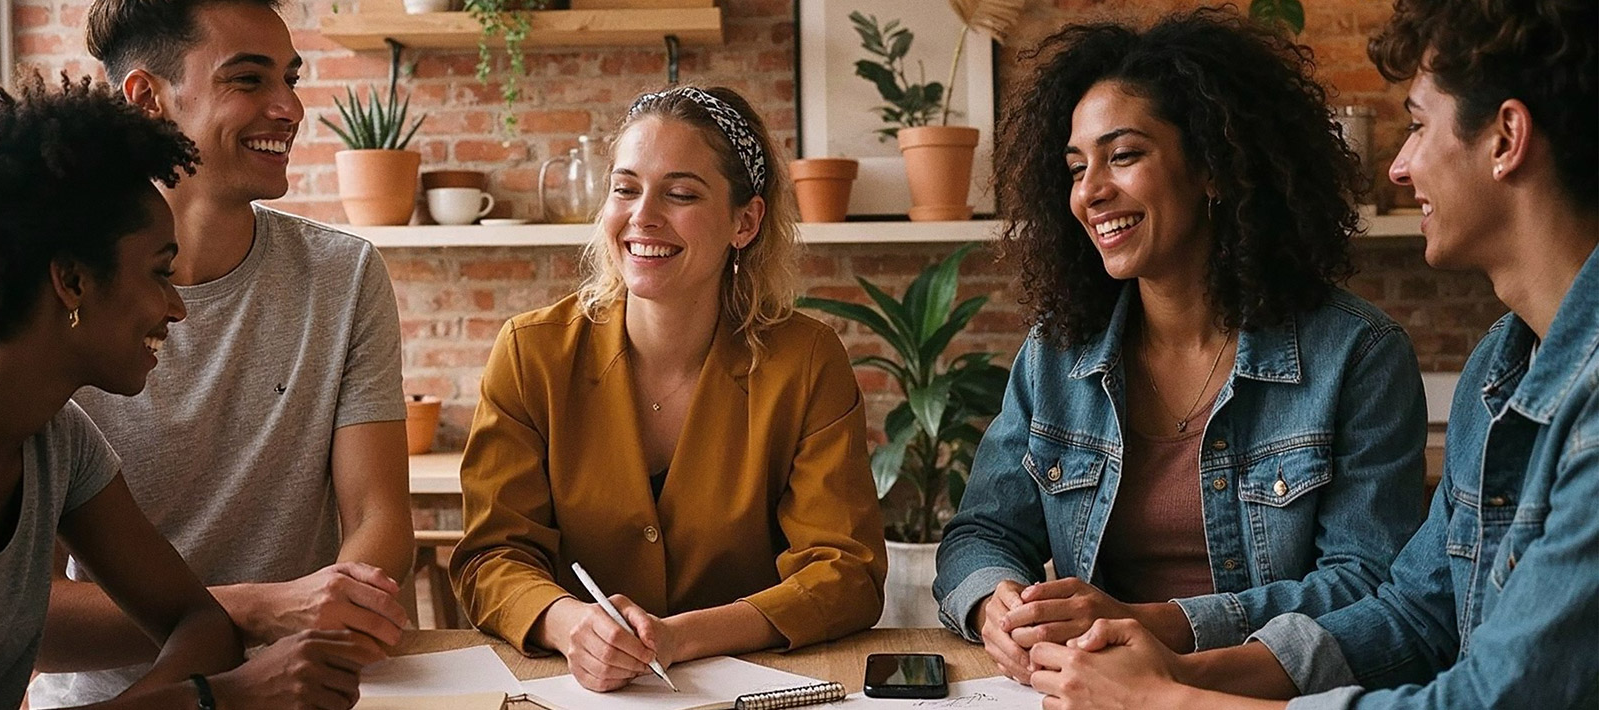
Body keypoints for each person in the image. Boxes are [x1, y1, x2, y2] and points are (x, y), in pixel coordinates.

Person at [1023, 1, 1599, 708]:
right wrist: (1177, 671)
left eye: (1417, 125)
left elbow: (1493, 701)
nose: (1396, 165)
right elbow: (1413, 615)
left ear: (1506, 137)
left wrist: (1165, 701)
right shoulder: (1498, 368)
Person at [0, 73, 383, 710]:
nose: (177, 308)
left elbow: (201, 625)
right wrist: (215, 700)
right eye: (158, 273)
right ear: (73, 282)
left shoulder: (60, 442)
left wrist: (189, 698)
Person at [934, 7, 1428, 684]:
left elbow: (1370, 586)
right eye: (1076, 167)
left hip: (1261, 694)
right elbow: (982, 533)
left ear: (1213, 168)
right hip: (1089, 689)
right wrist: (997, 603)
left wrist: (1157, 622)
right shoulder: (1056, 354)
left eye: (1124, 155)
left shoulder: (1356, 353)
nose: (1090, 192)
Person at [31, 0, 414, 704]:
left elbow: (378, 519)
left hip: (304, 688)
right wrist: (257, 609)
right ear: (148, 99)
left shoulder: (344, 275)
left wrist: (330, 617)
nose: (289, 108)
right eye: (248, 80)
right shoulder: (53, 297)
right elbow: (28, 619)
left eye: (290, 79)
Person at [450, 85, 887, 692]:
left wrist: (679, 636)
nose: (642, 216)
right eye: (625, 189)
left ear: (746, 221)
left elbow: (846, 574)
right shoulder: (532, 353)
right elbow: (491, 557)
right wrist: (568, 622)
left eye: (680, 194)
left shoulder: (806, 360)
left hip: (755, 692)